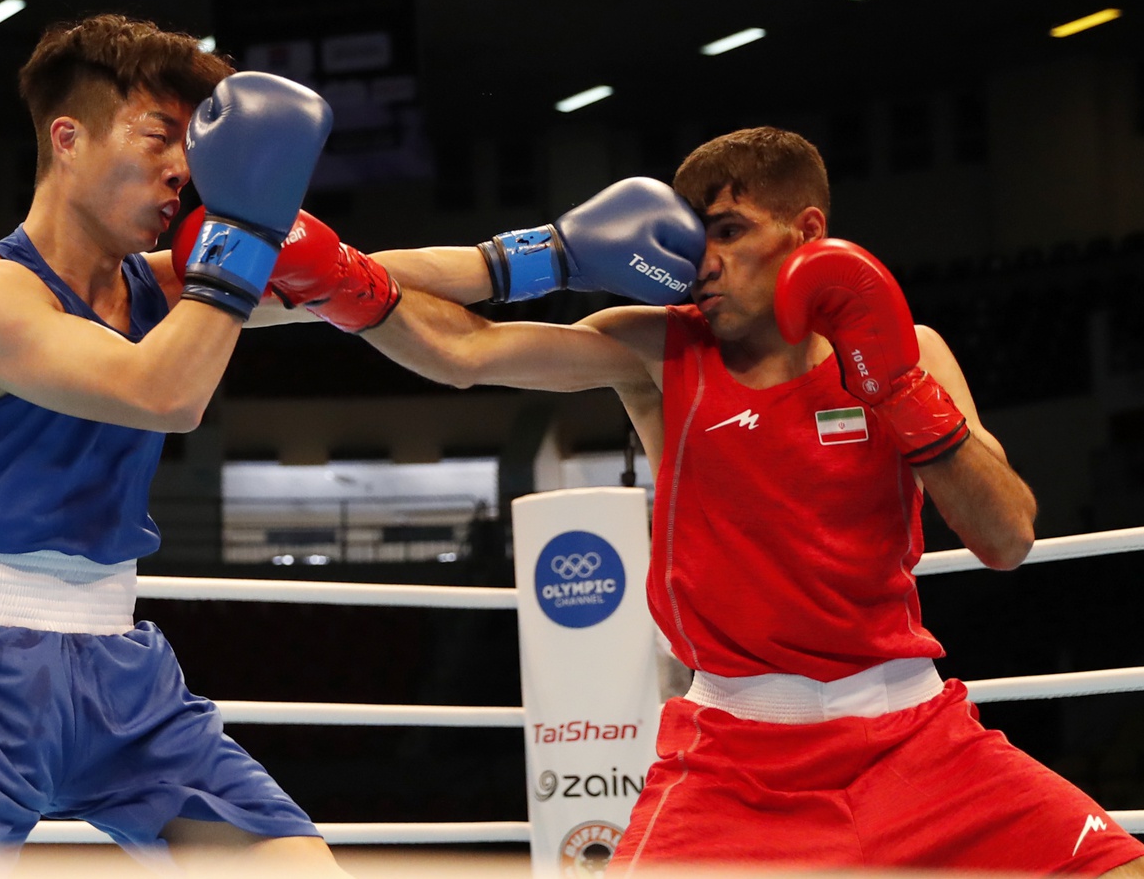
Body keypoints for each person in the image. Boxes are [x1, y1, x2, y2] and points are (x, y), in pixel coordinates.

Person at [238, 126, 1144, 875]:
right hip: (734, 760)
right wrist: (350, 272)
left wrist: (898, 388)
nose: (698, 262)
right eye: (688, 237)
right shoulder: (660, 349)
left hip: (915, 743)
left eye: (728, 231)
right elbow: (464, 351)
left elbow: (1007, 538)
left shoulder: (909, 349)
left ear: (806, 231)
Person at [0, 15, 348, 877]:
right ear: (68, 138)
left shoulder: (163, 289)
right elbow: (162, 393)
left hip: (125, 677)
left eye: (191, 146)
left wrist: (537, 261)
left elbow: (368, 280)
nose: (182, 169)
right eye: (159, 135)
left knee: (300, 869)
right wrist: (247, 234)